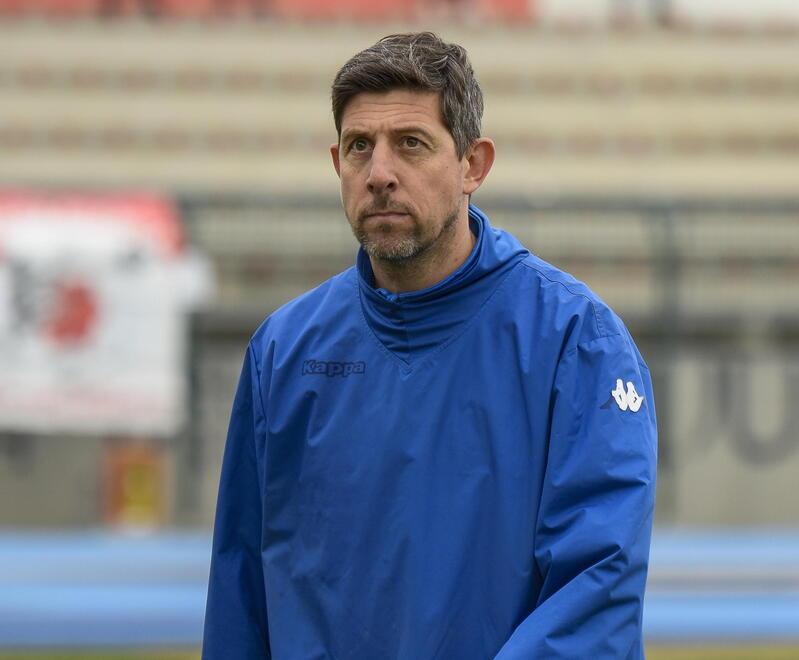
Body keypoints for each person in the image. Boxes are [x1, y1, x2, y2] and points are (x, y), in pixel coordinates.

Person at [202, 31, 657, 659]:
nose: (380, 174)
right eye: (360, 147)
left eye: (411, 144)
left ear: (474, 164)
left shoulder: (578, 343)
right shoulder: (282, 350)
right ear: (337, 163)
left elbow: (595, 588)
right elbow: (240, 593)